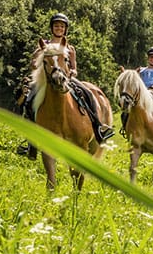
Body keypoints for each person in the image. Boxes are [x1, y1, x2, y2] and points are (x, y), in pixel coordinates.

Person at [16, 13, 114, 159]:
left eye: (62, 26)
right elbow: (33, 64)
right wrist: (35, 62)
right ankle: (31, 142)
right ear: (52, 28)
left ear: (65, 29)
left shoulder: (70, 48)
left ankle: (98, 127)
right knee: (28, 99)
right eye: (56, 26)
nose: (59, 28)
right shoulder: (43, 45)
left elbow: (74, 67)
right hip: (47, 80)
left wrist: (72, 72)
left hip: (66, 78)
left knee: (88, 93)